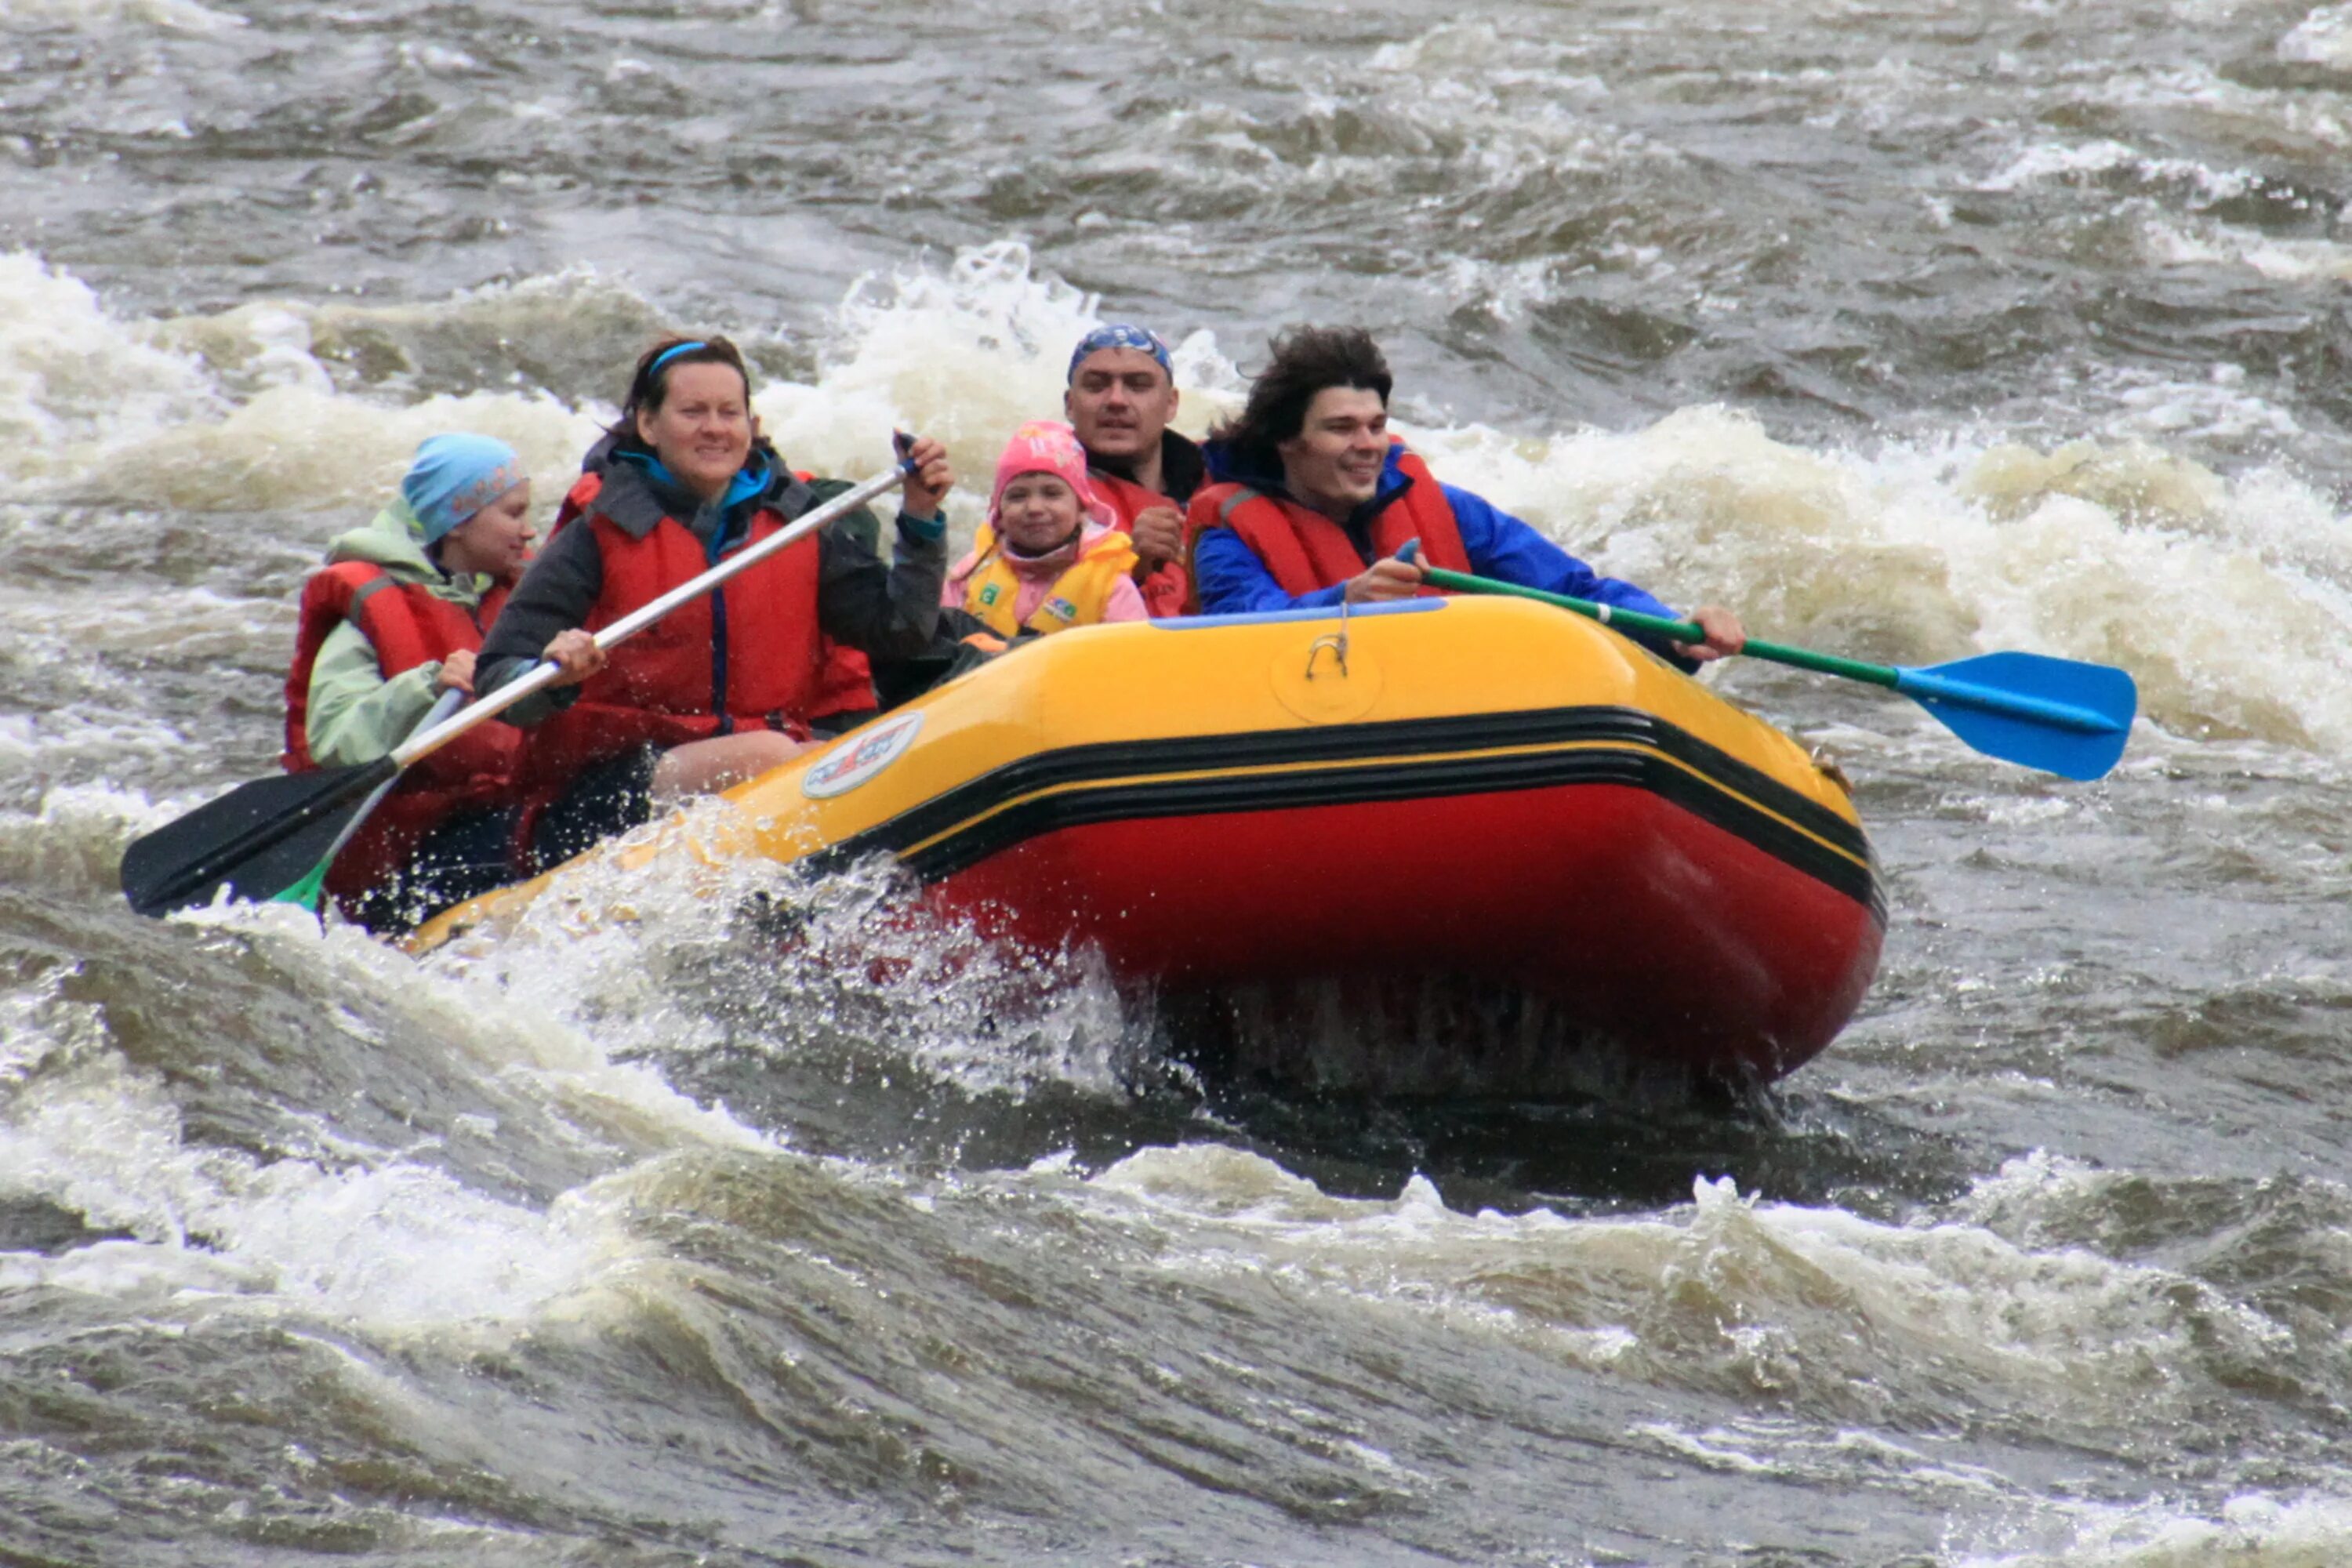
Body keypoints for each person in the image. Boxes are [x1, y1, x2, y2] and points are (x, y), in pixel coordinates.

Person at [473, 336, 954, 869]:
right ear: (650, 425)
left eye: (730, 412)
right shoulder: (598, 531)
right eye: (693, 411)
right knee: (776, 756)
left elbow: (900, 631)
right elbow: (498, 678)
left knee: (850, 760)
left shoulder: (793, 520)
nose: (715, 428)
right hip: (607, 791)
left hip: (767, 762)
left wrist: (921, 520)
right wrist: (553, 675)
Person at [1185, 326, 1745, 669]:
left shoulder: (1447, 510)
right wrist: (1344, 602)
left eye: (1376, 426)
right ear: (1287, 440)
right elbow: (1244, 630)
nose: (1367, 446)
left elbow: (1575, 590)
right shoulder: (1228, 533)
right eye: (1341, 429)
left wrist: (1675, 633)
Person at [281, 433, 537, 928]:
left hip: (500, 816)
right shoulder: (367, 614)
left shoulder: (522, 593)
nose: (529, 532)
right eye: (513, 513)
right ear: (459, 521)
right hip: (409, 861)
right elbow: (336, 739)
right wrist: (429, 686)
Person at [945, 420, 1149, 637]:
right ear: (999, 513)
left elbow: (1133, 662)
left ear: (1082, 507)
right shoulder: (971, 572)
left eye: (1052, 493)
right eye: (1017, 496)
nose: (1034, 508)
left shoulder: (1111, 586)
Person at [1064, 324, 1203, 617]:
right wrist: (1131, 566)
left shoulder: (1225, 479)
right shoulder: (1035, 497)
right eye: (1096, 385)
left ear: (1171, 403)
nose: (1116, 400)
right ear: (1070, 405)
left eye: (1138, 385)